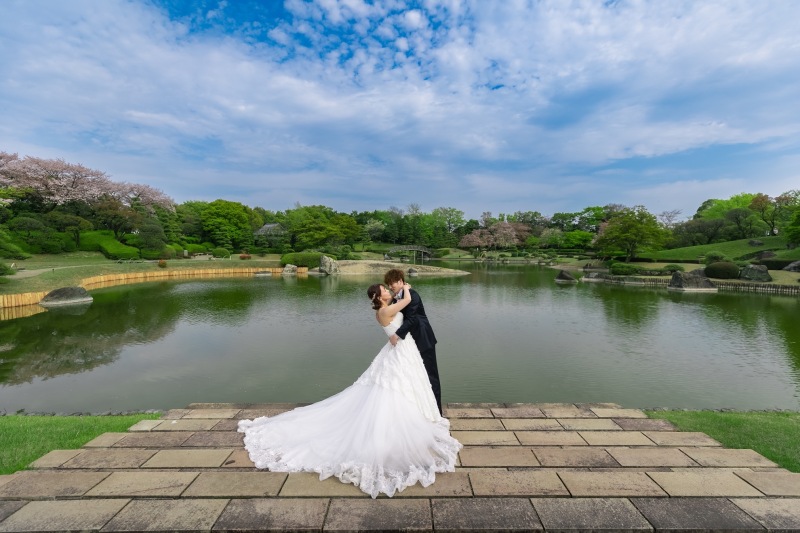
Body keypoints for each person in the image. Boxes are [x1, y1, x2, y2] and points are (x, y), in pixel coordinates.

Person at [238, 282, 461, 498]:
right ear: (378, 297)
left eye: (387, 288)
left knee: (403, 384)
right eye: (384, 289)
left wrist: (398, 290)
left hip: (402, 352)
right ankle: (395, 427)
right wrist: (406, 288)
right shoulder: (385, 311)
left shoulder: (386, 307)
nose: (388, 290)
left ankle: (413, 416)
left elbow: (402, 306)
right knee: (392, 389)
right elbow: (409, 301)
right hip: (400, 351)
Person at [384, 268, 443, 415]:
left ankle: (437, 412)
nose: (391, 286)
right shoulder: (399, 296)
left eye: (393, 283)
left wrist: (396, 335)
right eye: (389, 284)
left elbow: (411, 319)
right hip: (411, 343)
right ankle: (421, 410)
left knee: (431, 377)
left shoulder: (413, 295)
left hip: (423, 339)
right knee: (417, 376)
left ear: (401, 281)